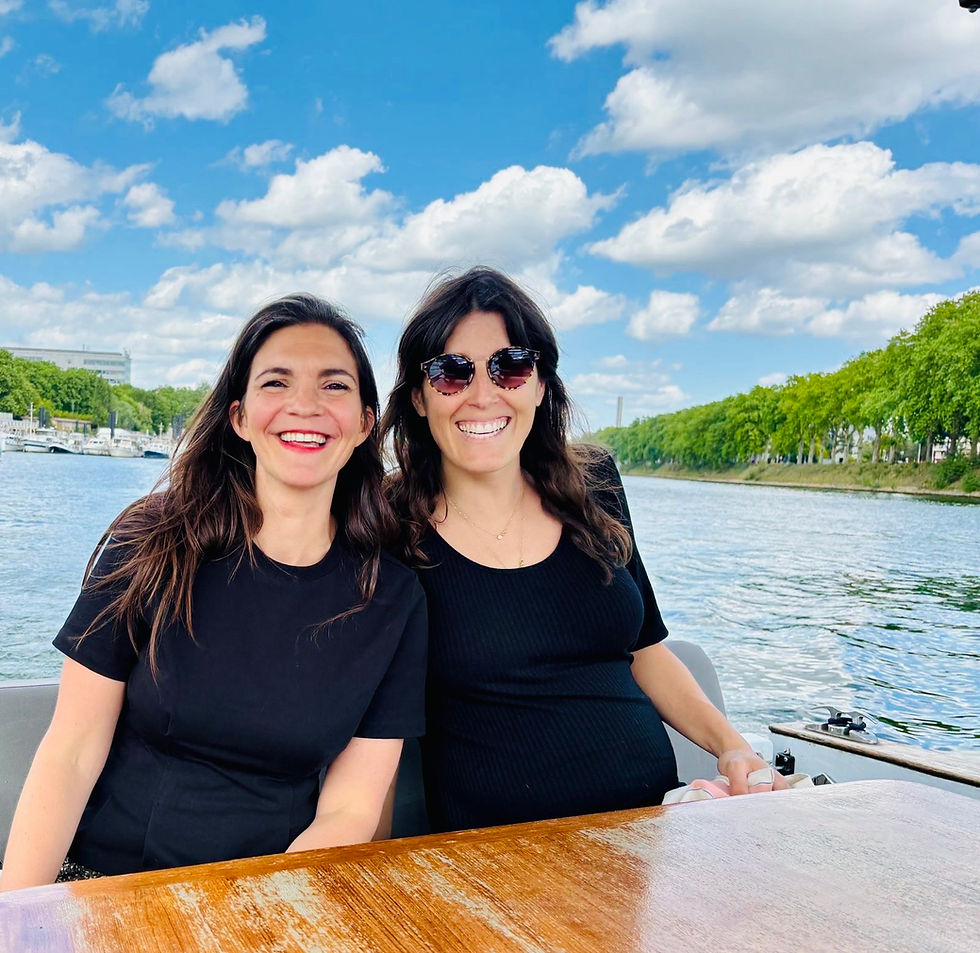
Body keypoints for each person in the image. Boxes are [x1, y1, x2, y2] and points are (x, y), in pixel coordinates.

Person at [0, 294, 426, 890]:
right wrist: (17, 920)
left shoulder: (391, 598)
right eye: (276, 383)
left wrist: (257, 916)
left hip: (273, 891)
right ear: (240, 417)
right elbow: (71, 752)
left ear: (364, 424)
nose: (304, 405)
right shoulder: (152, 541)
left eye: (334, 386)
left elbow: (350, 809)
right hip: (105, 880)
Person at [381, 266, 784, 834]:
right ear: (420, 398)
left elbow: (646, 650)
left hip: (654, 831)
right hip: (499, 859)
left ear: (541, 385)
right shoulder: (386, 524)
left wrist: (733, 749)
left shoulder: (595, 483)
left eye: (511, 367)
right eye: (451, 373)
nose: (482, 394)